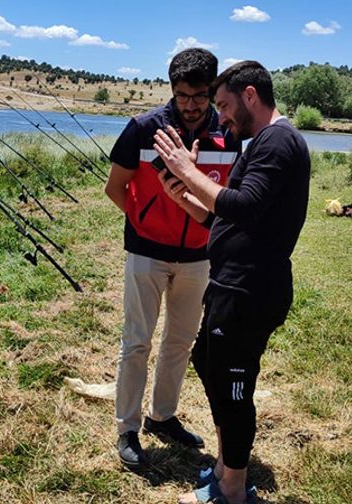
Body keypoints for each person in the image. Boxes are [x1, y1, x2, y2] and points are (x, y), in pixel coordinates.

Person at [152, 60, 310, 503]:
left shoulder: (279, 141)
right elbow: (223, 216)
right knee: (208, 362)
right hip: (232, 285)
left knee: (234, 388)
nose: (219, 116)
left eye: (222, 105)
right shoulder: (261, 143)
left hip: (250, 290)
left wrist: (188, 170)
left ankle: (233, 490)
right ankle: (225, 468)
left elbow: (243, 205)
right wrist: (183, 197)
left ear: (251, 96)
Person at [105, 48, 240, 467]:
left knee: (180, 342)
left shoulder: (229, 135)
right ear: (171, 91)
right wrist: (146, 221)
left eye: (199, 95)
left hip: (200, 256)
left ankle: (161, 417)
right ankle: (127, 427)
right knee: (137, 342)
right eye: (182, 95)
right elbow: (115, 187)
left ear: (213, 90)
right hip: (146, 253)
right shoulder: (143, 129)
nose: (191, 105)